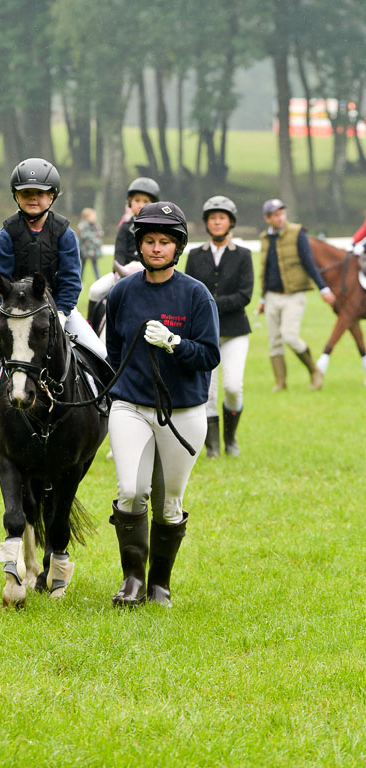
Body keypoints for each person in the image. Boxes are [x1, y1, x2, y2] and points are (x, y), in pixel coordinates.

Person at [0, 157, 107, 441]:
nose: (33, 199)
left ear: (51, 196)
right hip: (16, 314)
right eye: (27, 193)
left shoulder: (65, 233)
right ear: (16, 195)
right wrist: (11, 311)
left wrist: (62, 313)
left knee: (99, 353)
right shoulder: (6, 234)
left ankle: (108, 402)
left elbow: (71, 279)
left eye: (39, 194)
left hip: (61, 310)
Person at [105, 202, 220, 607]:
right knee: (131, 490)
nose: (156, 249)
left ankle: (160, 585)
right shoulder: (122, 292)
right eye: (149, 241)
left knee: (169, 503)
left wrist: (173, 344)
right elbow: (114, 352)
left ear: (178, 247)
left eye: (164, 242)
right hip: (130, 407)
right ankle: (132, 581)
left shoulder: (196, 295)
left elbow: (209, 355)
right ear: (140, 245)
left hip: (183, 412)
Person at [185, 196, 253, 458]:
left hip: (235, 330)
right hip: (205, 333)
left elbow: (245, 294)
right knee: (207, 393)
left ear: (230, 222)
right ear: (206, 223)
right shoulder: (194, 255)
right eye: (212, 218)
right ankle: (212, 447)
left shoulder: (244, 255)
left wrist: (211, 304)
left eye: (221, 217)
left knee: (233, 387)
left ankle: (230, 437)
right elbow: (189, 290)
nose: (216, 222)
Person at [257, 198, 335, 392]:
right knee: (274, 341)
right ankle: (280, 384)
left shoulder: (297, 233)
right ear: (267, 218)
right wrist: (262, 298)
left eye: (282, 213)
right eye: (275, 215)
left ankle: (314, 371)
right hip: (272, 296)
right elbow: (265, 269)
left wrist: (323, 288)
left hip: (294, 295)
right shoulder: (264, 238)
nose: (280, 218)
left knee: (290, 337)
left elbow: (309, 262)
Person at [86, 176, 160, 326]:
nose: (141, 205)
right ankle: (91, 326)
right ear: (130, 202)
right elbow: (119, 253)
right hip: (123, 273)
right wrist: (120, 270)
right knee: (95, 290)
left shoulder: (159, 228)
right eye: (137, 200)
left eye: (146, 201)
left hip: (151, 273)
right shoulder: (125, 227)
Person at [77, 207, 103, 282]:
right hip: (85, 250)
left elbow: (99, 234)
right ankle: (80, 280)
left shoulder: (96, 226)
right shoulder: (82, 226)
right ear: (87, 217)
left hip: (93, 251)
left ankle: (98, 279)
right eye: (92, 216)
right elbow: (83, 236)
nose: (94, 218)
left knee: (95, 265)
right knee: (83, 265)